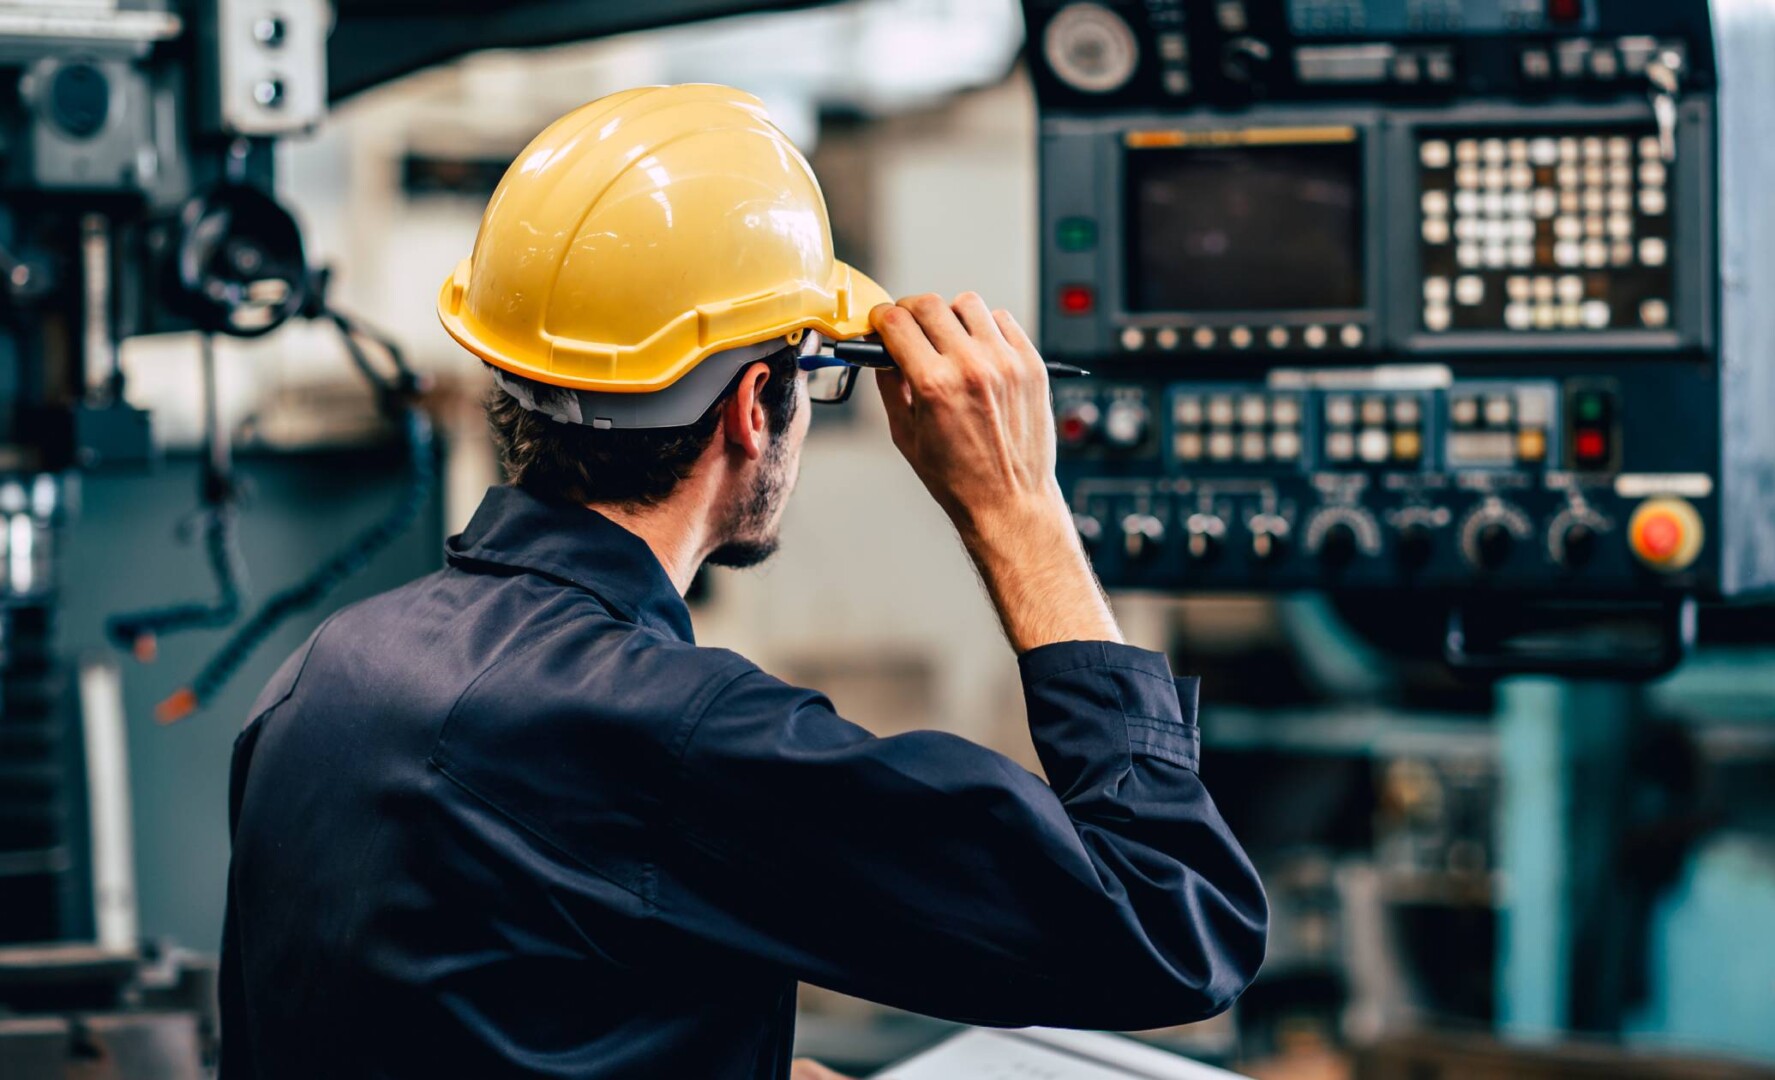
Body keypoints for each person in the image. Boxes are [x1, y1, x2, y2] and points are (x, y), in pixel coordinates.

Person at [219, 84, 1267, 1079]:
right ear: (755, 404)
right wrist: (1018, 507)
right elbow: (1178, 921)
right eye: (820, 374)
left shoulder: (328, 673)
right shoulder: (674, 741)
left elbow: (485, 1019)